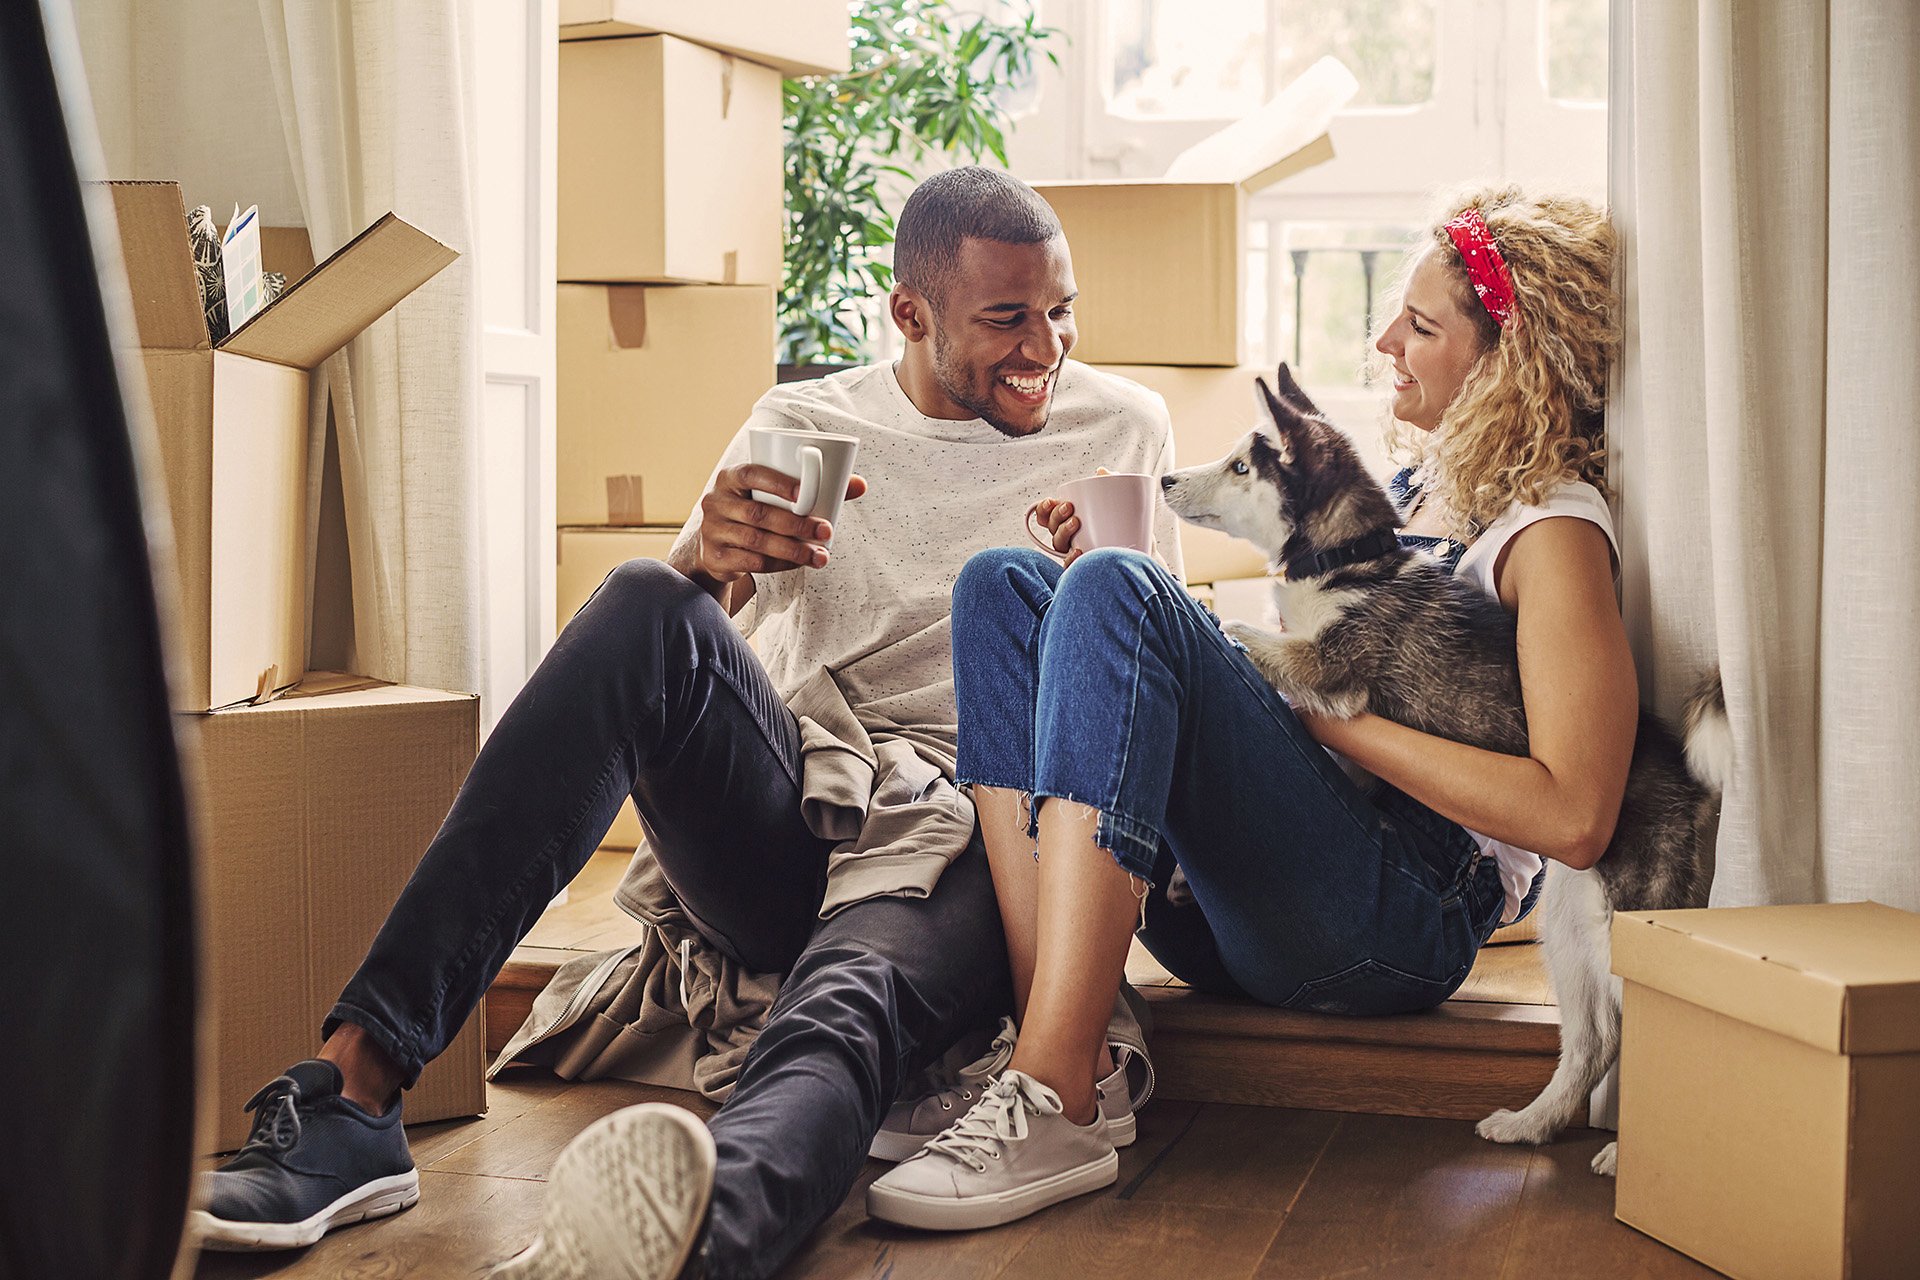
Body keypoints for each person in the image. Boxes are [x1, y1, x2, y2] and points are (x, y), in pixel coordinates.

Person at [192, 167, 1182, 1278]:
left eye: (1061, 309)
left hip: (976, 833)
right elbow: (676, 647)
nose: (1045, 343)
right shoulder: (805, 423)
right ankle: (355, 1088)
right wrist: (704, 563)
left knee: (843, 994)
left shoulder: (1123, 426)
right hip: (803, 802)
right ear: (910, 313)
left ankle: (685, 1242)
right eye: (1007, 316)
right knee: (639, 600)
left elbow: (1139, 687)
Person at [864, 186, 1631, 1229]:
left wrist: (1316, 708)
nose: (1383, 337)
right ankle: (1063, 1041)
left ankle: (1056, 1093)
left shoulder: (1550, 531)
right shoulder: (1414, 493)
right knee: (1003, 584)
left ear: (1511, 359)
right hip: (1244, 908)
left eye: (1423, 323)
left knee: (1121, 590)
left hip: (1394, 916)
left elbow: (1575, 813)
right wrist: (1135, 633)